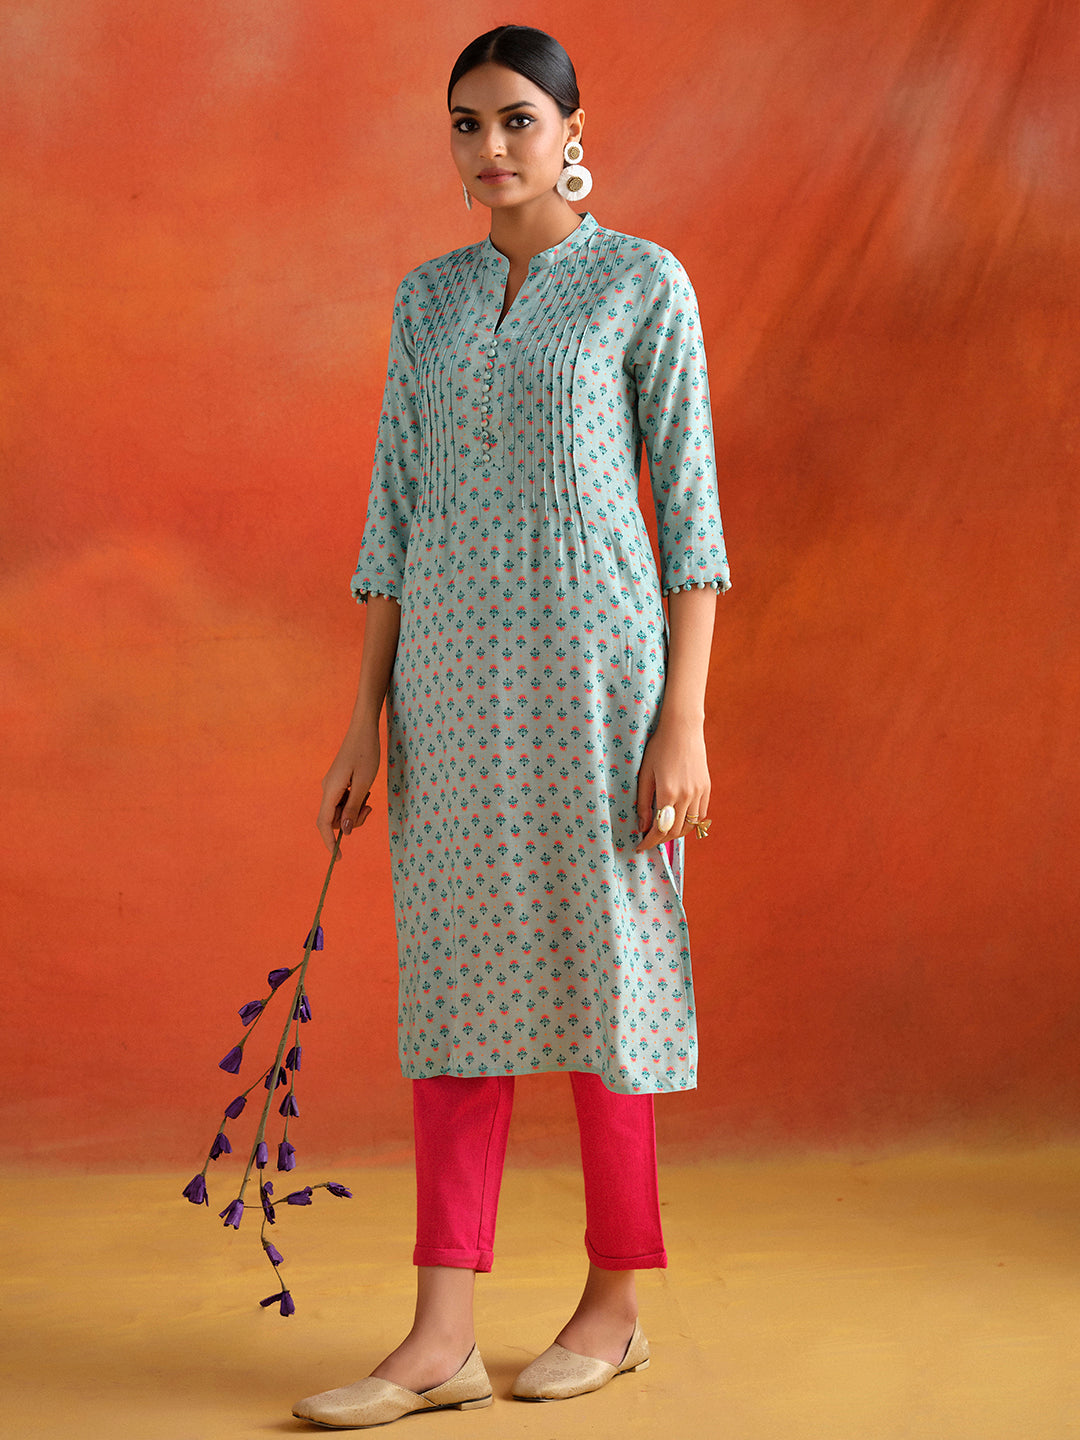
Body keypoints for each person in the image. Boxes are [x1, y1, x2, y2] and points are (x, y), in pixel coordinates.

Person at [294, 23, 730, 1430]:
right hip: (447, 694)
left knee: (614, 984)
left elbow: (695, 526)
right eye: (466, 124)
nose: (490, 148)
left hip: (600, 689)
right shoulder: (427, 301)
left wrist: (683, 718)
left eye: (518, 120)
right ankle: (440, 1337)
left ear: (572, 130)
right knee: (454, 1002)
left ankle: (615, 1304)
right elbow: (391, 519)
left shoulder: (642, 283)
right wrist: (363, 721)